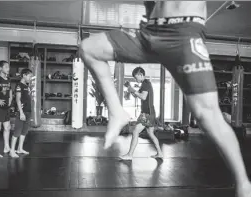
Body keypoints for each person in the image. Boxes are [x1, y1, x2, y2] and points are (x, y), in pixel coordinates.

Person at [79, 1, 251, 196]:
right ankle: (117, 112)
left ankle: (244, 185)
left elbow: (143, 95)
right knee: (88, 48)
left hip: (183, 33)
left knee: (206, 115)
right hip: (149, 35)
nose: (136, 78)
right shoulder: (142, 81)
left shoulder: (144, 84)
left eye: (137, 76)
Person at [120, 67, 163, 160]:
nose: (136, 79)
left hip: (147, 114)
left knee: (135, 131)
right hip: (150, 113)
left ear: (140, 75)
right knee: (150, 133)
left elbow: (143, 97)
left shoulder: (146, 84)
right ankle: (160, 153)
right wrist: (129, 87)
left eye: (136, 77)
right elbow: (137, 95)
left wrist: (133, 90)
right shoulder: (145, 84)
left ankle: (129, 155)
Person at [10, 68, 33, 158]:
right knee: (17, 131)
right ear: (24, 75)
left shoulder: (26, 86)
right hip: (21, 112)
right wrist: (21, 112)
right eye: (29, 76)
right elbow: (18, 100)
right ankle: (12, 151)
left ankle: (20, 148)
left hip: (28, 111)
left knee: (24, 131)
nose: (30, 78)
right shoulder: (19, 85)